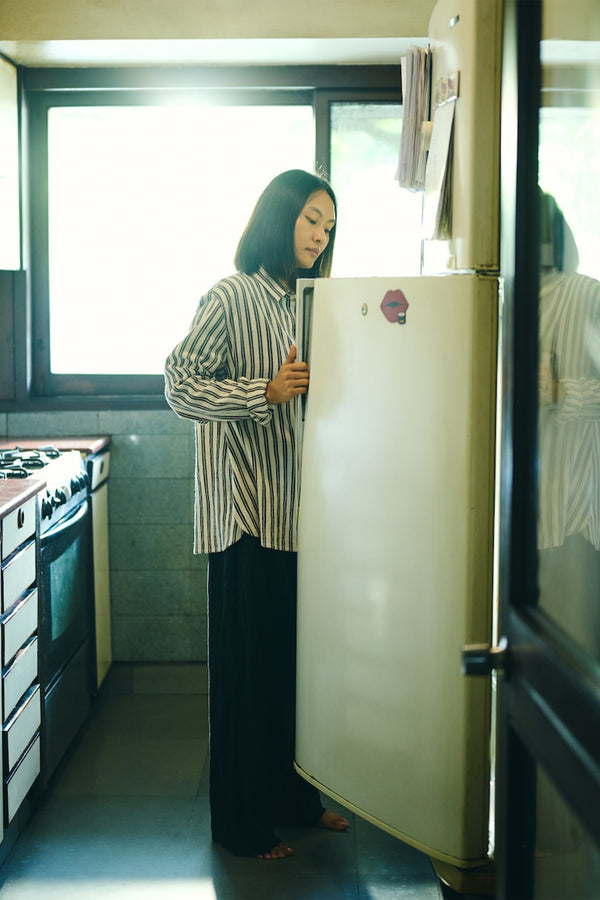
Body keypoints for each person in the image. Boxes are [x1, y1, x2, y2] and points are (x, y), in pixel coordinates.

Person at [164, 169, 349, 860]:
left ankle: (293, 801)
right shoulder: (231, 294)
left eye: (327, 226)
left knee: (287, 674)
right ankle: (240, 828)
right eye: (309, 219)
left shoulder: (302, 304)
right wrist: (259, 392)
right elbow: (179, 383)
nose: (319, 235)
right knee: (246, 679)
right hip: (243, 517)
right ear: (278, 218)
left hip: (293, 518)